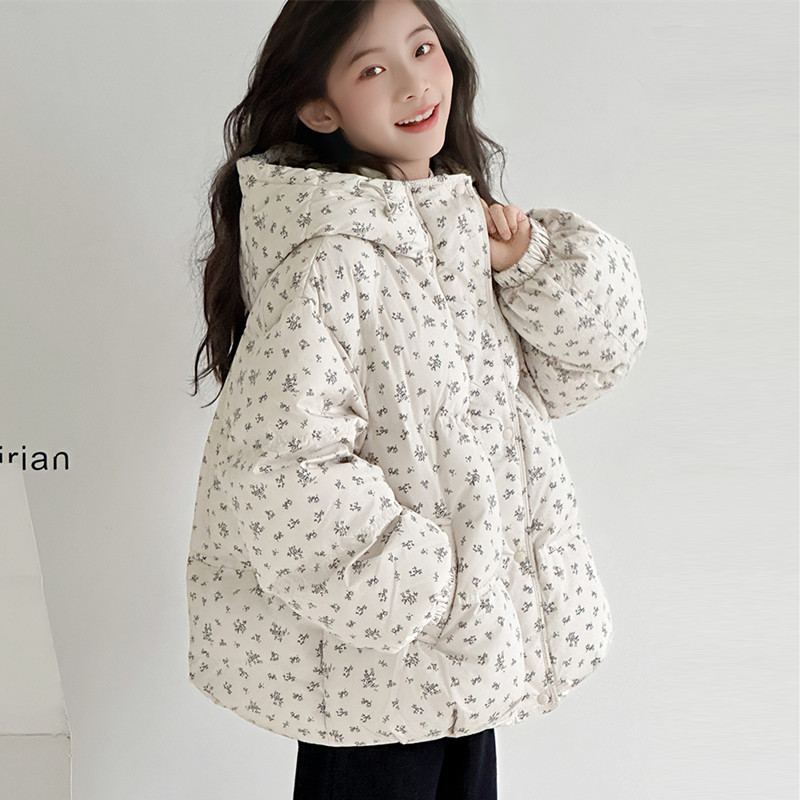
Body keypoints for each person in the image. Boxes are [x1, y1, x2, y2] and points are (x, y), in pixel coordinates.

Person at [186, 1, 648, 797]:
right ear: (319, 108)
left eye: (424, 49)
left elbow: (585, 362)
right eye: (372, 69)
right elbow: (280, 465)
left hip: (461, 658)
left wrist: (527, 263)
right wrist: (431, 585)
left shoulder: (462, 236)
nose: (413, 83)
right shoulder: (331, 262)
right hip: (381, 663)